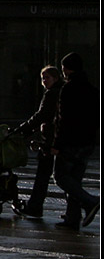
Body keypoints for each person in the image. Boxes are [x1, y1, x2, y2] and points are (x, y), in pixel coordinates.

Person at [51, 52, 99, 231]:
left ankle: (91, 202)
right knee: (74, 181)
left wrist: (56, 144)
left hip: (70, 142)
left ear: (66, 68)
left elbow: (63, 120)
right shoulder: (92, 89)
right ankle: (72, 218)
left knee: (61, 177)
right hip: (87, 142)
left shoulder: (68, 89)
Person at [17, 65, 63, 219]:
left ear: (55, 78)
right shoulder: (62, 91)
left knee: (44, 175)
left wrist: (24, 129)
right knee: (62, 175)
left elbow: (42, 115)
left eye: (47, 78)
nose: (44, 81)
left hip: (51, 140)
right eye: (43, 78)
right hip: (57, 138)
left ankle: (35, 206)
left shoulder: (52, 94)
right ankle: (73, 213)